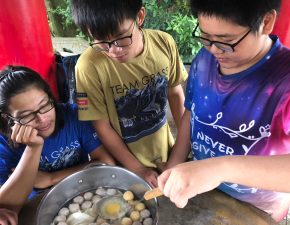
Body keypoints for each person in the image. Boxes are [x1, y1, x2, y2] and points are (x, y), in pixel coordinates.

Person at [158, 0, 290, 222]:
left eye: (227, 41)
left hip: (256, 208)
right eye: (205, 36)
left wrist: (220, 168)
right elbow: (191, 114)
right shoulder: (204, 60)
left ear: (266, 22)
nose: (214, 49)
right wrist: (175, 163)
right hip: (204, 191)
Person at [71, 0, 188, 187]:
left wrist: (180, 151)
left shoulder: (164, 43)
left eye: (121, 38)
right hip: (124, 166)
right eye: (101, 42)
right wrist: (137, 169)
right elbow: (102, 126)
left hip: (167, 150)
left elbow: (175, 95)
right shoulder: (88, 67)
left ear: (139, 17)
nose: (114, 50)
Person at [0, 66, 115, 201]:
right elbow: (6, 204)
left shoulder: (74, 116)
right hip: (38, 204)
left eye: (44, 105)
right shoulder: (3, 144)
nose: (42, 119)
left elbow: (106, 163)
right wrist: (33, 148)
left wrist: (51, 179)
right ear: (8, 119)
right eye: (26, 116)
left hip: (83, 194)